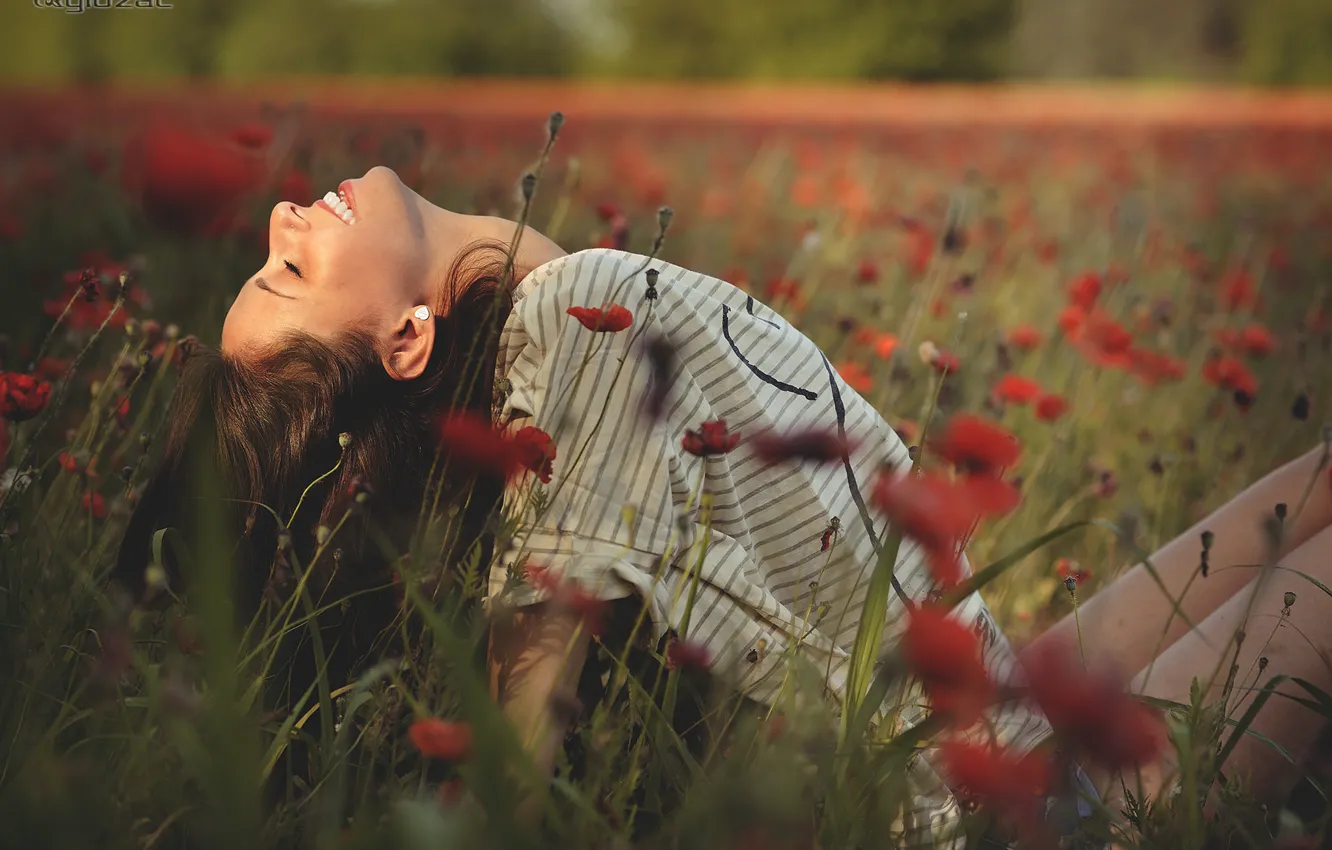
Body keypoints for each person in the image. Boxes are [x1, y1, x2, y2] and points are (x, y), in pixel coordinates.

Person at [112, 165, 1332, 847]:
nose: (279, 217)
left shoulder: (556, 348)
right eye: (286, 269)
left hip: (997, 720)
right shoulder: (568, 323)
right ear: (404, 339)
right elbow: (536, 668)